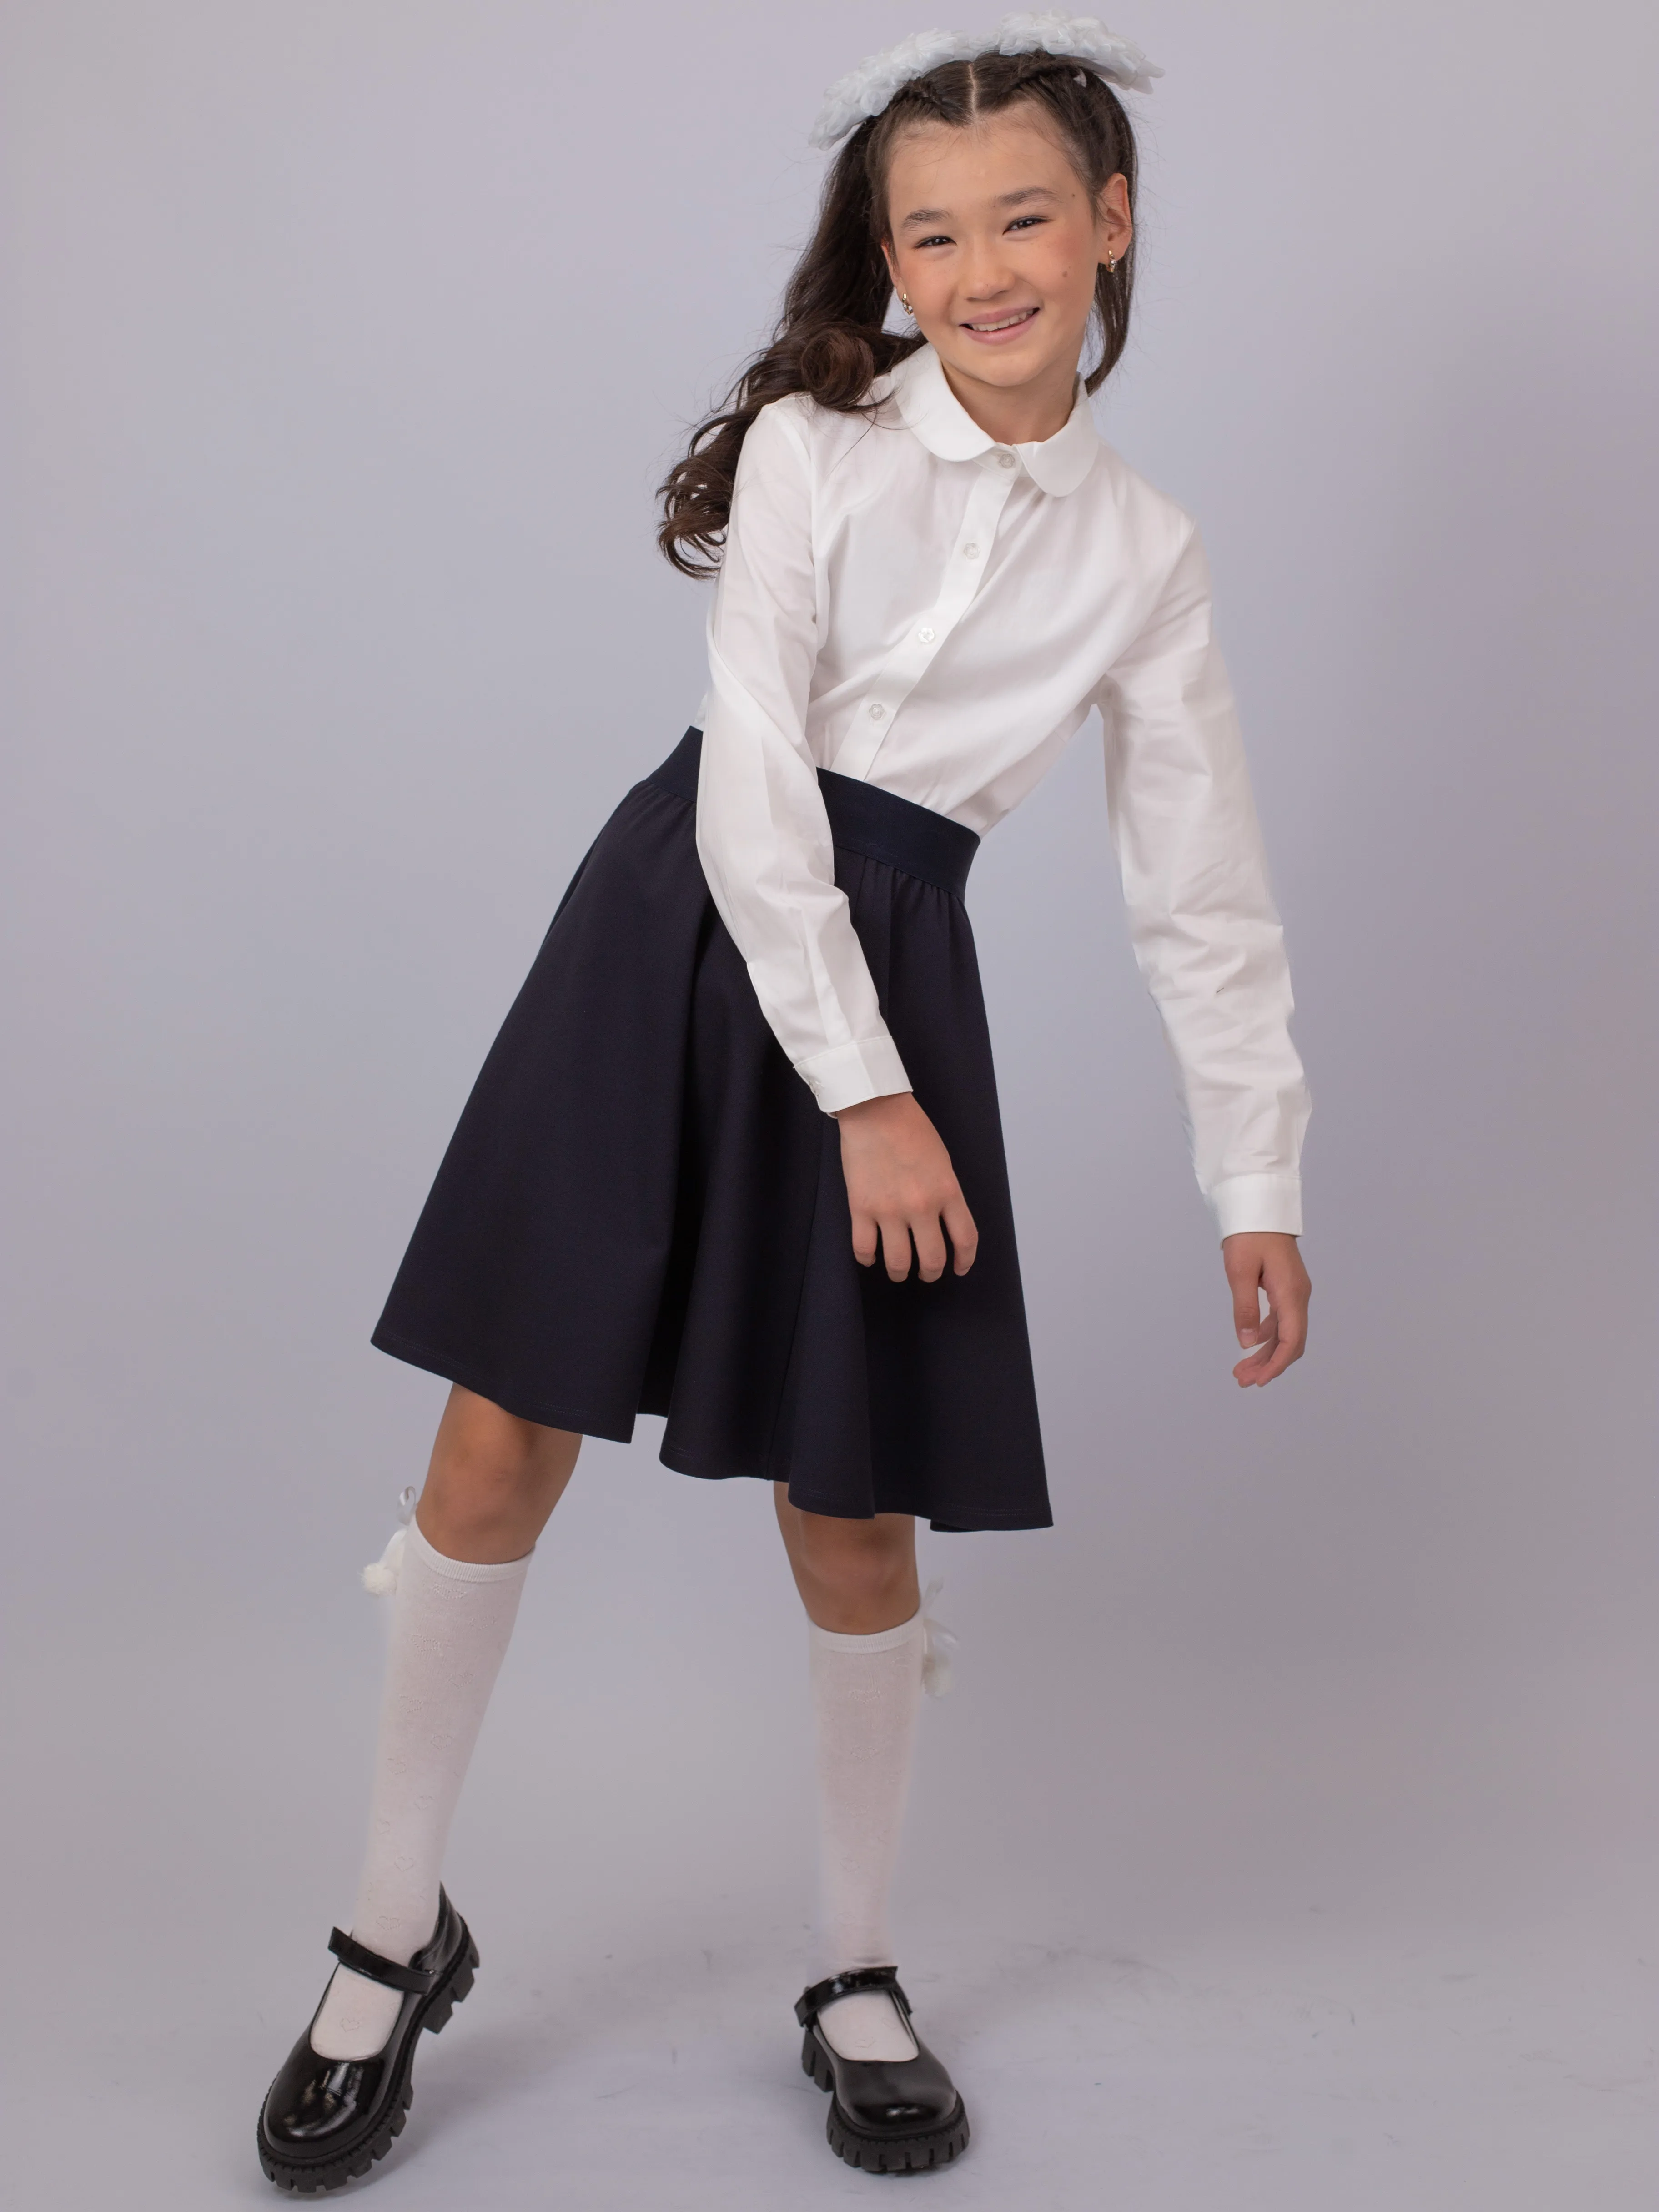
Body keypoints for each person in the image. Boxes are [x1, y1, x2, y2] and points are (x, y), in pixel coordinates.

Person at [256, 14, 1311, 2190]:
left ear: (1112, 224)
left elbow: (1200, 883)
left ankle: (855, 1970)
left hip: (899, 965)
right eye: (934, 235)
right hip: (683, 931)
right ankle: (385, 1932)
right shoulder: (817, 454)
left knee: (853, 1500)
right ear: (888, 258)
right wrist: (871, 1097)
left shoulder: (1146, 549)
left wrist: (1257, 1177)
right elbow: (756, 797)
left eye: (1026, 218)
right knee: (495, 1434)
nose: (983, 270)